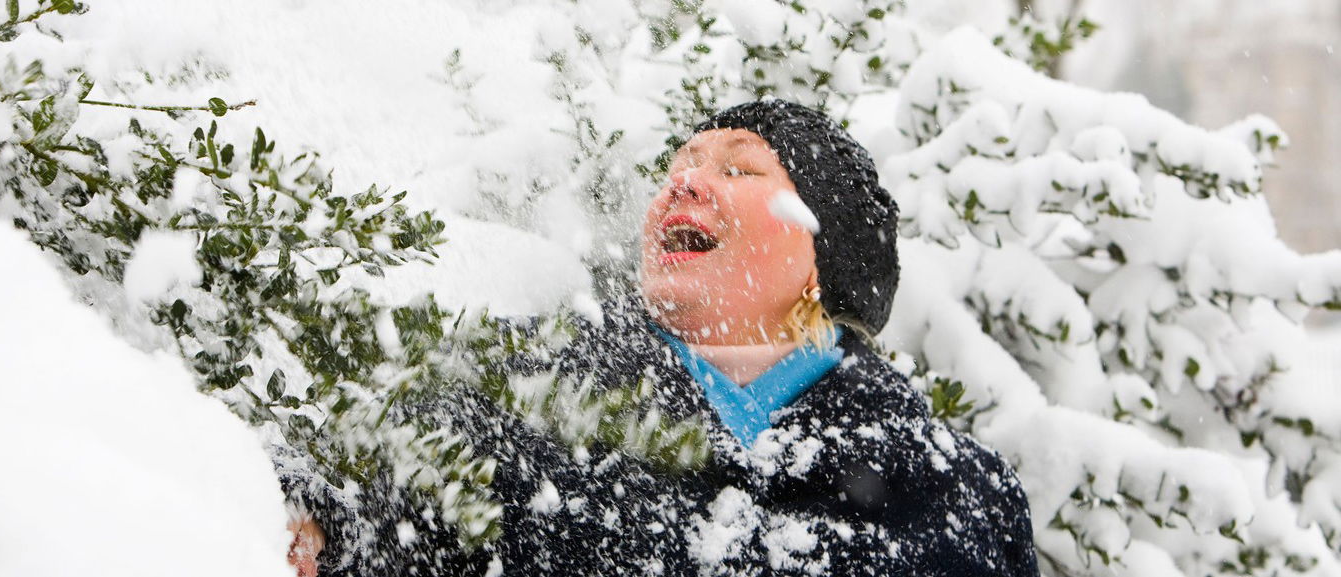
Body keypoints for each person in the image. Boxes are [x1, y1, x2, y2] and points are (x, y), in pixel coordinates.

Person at [289, 99, 1038, 576]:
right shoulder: (504, 394)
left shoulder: (952, 495)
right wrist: (313, 518)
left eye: (739, 168)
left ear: (822, 251)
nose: (684, 182)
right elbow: (327, 496)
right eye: (680, 165)